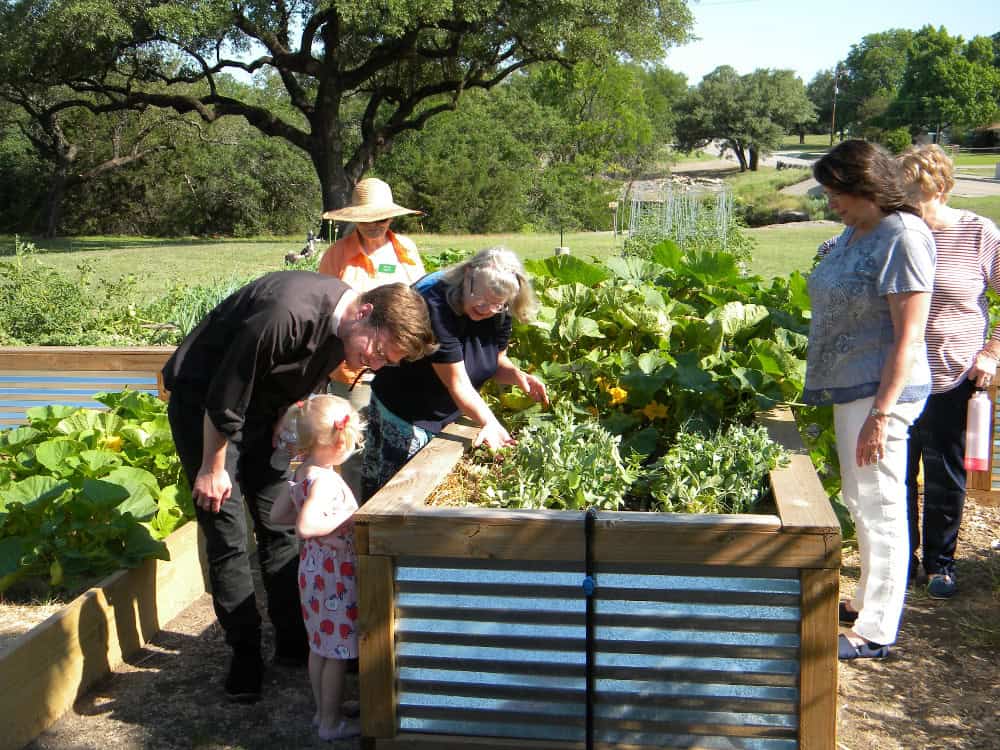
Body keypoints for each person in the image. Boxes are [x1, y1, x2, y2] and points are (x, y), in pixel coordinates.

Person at [162, 272, 436, 702]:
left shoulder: (347, 331)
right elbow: (225, 394)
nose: (376, 364)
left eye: (387, 361)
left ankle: (295, 640)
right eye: (380, 351)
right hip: (206, 410)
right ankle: (245, 654)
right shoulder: (285, 314)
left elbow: (309, 374)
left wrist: (288, 412)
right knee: (227, 530)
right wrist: (213, 468)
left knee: (281, 522)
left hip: (262, 409)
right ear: (365, 312)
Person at [803, 139, 936, 660]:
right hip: (851, 387)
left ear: (867, 186)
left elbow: (909, 336)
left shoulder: (904, 236)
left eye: (838, 191)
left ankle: (877, 630)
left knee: (881, 504)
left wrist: (881, 414)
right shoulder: (855, 231)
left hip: (883, 393)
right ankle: (864, 601)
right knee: (861, 499)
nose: (831, 202)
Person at [362, 246, 549, 501]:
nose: (487, 310)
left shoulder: (499, 310)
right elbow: (457, 383)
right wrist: (490, 424)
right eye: (481, 300)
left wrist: (517, 376)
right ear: (468, 274)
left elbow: (495, 361)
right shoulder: (435, 306)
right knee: (388, 496)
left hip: (446, 413)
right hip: (405, 412)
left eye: (497, 305)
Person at [897, 144, 1000, 600]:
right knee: (896, 475)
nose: (904, 201)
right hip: (898, 375)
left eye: (912, 191)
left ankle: (941, 564)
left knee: (943, 473)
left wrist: (992, 351)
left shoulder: (978, 233)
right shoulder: (897, 234)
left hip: (952, 374)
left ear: (939, 188)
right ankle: (902, 563)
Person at [318, 177, 427, 501]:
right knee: (353, 447)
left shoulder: (406, 249)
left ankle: (391, 512)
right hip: (354, 370)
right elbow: (326, 311)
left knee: (396, 444)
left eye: (382, 218)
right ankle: (355, 519)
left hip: (400, 369)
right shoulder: (337, 254)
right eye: (367, 219)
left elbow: (418, 302)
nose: (375, 225)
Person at [269, 395, 363, 741]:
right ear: (340, 443)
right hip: (334, 575)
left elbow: (277, 515)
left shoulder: (303, 470)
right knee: (337, 651)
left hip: (313, 570)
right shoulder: (324, 482)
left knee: (320, 645)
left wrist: (319, 529)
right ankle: (330, 724)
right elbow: (305, 527)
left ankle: (324, 710)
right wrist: (346, 519)